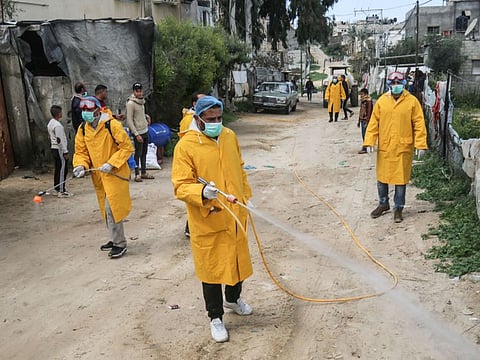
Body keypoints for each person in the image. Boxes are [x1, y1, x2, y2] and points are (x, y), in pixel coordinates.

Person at [171, 95, 254, 343]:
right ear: (198, 118)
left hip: (235, 212)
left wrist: (246, 196)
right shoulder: (186, 146)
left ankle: (233, 298)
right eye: (211, 119)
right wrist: (201, 192)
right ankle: (215, 317)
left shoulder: (229, 137)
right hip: (209, 217)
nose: (217, 123)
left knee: (236, 261)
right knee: (211, 269)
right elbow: (180, 185)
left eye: (219, 118)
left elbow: (239, 167)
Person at [72, 96, 134, 259]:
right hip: (99, 176)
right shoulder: (83, 129)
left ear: (98, 110)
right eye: (83, 110)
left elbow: (127, 148)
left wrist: (112, 163)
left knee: (112, 208)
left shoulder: (111, 125)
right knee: (106, 210)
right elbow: (81, 152)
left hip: (115, 174)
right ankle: (114, 239)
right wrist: (80, 165)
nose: (85, 113)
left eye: (89, 110)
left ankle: (120, 244)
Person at [363, 71, 428, 223]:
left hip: (402, 147)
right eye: (393, 83)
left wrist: (420, 144)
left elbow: (419, 124)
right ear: (389, 85)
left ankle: (398, 207)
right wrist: (369, 142)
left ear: (404, 84)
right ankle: (383, 203)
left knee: (400, 180)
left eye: (399, 83)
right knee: (382, 178)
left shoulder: (412, 102)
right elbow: (373, 123)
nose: (396, 86)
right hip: (386, 146)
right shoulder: (381, 101)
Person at [178, 92, 205, 238]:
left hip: (203, 161)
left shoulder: (205, 118)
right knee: (195, 195)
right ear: (194, 104)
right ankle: (191, 227)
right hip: (193, 164)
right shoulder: (189, 120)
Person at [126, 82, 154, 182]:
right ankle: (137, 174)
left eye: (141, 91)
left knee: (144, 152)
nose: (140, 93)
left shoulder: (142, 101)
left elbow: (140, 114)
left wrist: (146, 116)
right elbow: (129, 120)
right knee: (137, 153)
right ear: (134, 91)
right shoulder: (131, 103)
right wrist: (136, 133)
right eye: (137, 91)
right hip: (138, 131)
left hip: (145, 129)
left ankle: (143, 172)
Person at [47, 105, 72, 198]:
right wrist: (65, 152)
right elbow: (59, 139)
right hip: (59, 149)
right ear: (58, 114)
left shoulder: (51, 123)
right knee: (62, 170)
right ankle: (61, 190)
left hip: (54, 148)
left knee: (58, 169)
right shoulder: (57, 126)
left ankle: (57, 188)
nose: (62, 114)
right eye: (61, 112)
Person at [357, 88, 373, 154]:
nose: (361, 95)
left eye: (362, 94)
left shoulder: (368, 101)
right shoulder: (363, 101)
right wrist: (359, 121)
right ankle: (366, 147)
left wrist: (367, 121)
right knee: (363, 134)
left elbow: (369, 112)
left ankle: (365, 148)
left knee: (365, 135)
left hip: (365, 120)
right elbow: (361, 111)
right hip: (362, 119)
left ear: (366, 94)